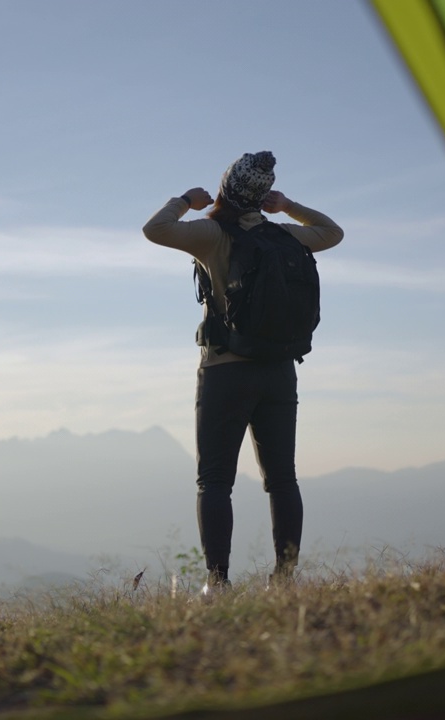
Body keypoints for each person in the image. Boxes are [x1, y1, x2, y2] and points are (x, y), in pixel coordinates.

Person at [143, 151, 343, 590]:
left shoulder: (213, 234)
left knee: (215, 481)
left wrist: (184, 200)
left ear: (226, 189)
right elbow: (333, 232)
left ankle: (217, 584)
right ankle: (285, 579)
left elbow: (154, 229)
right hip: (279, 371)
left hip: (225, 371)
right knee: (282, 478)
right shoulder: (286, 236)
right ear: (260, 197)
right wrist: (288, 205)